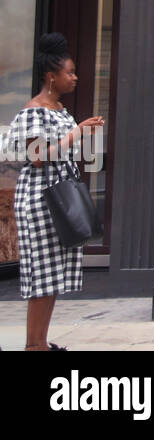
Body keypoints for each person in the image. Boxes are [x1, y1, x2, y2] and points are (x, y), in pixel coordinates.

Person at [8, 32, 104, 351]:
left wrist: (83, 133)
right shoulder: (34, 111)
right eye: (70, 72)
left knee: (51, 276)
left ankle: (41, 343)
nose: (75, 77)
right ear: (52, 76)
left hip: (59, 197)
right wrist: (78, 132)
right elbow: (37, 157)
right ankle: (33, 345)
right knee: (41, 275)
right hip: (40, 199)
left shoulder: (60, 109)